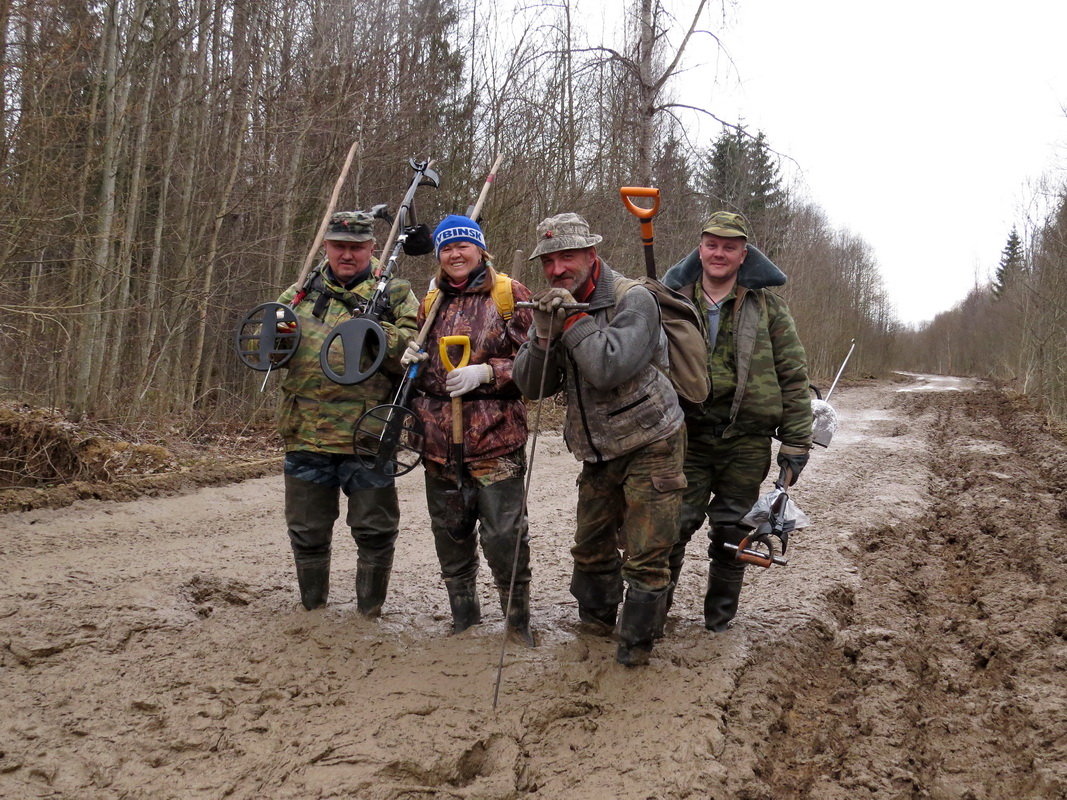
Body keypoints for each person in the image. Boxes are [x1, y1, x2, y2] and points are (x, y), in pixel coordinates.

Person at [513, 212, 687, 666]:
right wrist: (542, 338)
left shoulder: (635, 300)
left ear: (592, 255)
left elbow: (608, 367)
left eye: (566, 257)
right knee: (590, 548)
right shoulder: (553, 303)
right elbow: (530, 387)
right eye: (548, 261)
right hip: (596, 449)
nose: (556, 270)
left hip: (654, 440)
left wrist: (569, 324)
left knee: (647, 554)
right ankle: (593, 630)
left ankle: (634, 654)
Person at [661, 211, 812, 632]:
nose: (719, 253)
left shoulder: (770, 311)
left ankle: (719, 623)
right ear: (700, 249)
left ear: (744, 254)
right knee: (670, 528)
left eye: (729, 247)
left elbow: (793, 377)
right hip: (684, 436)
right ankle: (653, 617)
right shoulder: (670, 301)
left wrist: (797, 444)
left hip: (746, 440)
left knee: (732, 532)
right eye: (712, 245)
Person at [402, 215, 537, 645]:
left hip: (495, 440)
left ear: (480, 249)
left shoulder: (509, 296)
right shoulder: (431, 302)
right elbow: (425, 375)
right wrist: (412, 365)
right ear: (439, 255)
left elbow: (537, 366)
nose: (455, 254)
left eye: (463, 246)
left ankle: (517, 624)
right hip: (438, 443)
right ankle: (464, 619)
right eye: (446, 248)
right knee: (450, 535)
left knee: (503, 536)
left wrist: (488, 373)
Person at [275, 211, 418, 614]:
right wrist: (273, 341)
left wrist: (376, 329)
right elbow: (273, 346)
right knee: (307, 530)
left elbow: (411, 352)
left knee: (374, 530)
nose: (347, 254)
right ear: (327, 247)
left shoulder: (394, 293)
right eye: (340, 246)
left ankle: (368, 614)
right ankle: (313, 610)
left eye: (356, 247)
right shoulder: (301, 291)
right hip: (306, 431)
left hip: (368, 437)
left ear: (372, 248)